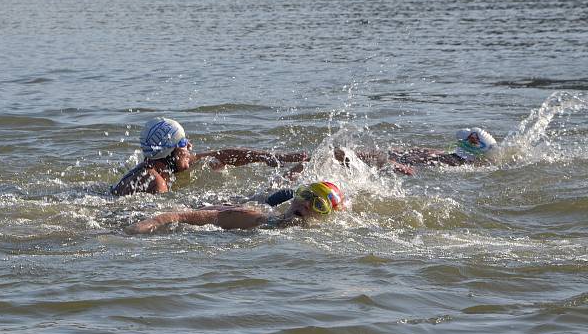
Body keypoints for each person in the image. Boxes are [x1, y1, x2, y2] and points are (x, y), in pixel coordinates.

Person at [111, 117, 309, 196]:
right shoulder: (155, 182)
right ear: (169, 151)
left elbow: (222, 155)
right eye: (183, 143)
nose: (189, 145)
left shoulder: (158, 165)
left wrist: (277, 158)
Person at [124, 181, 344, 234]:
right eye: (305, 195)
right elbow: (180, 215)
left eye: (318, 204)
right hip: (209, 206)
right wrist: (151, 223)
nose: (306, 203)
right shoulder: (252, 218)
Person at [335, 127, 498, 175]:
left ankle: (339, 155)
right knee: (370, 157)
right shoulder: (455, 161)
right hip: (401, 160)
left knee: (361, 155)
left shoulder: (449, 157)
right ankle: (341, 156)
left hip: (401, 159)